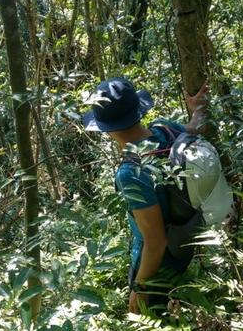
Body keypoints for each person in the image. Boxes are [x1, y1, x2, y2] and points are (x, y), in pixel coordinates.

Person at [82, 77, 208, 313]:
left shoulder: (131, 173)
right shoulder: (166, 130)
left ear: (108, 129)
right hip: (185, 236)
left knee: (154, 321)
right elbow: (192, 133)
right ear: (137, 110)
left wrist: (140, 288)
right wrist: (197, 111)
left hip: (157, 264)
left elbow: (155, 241)